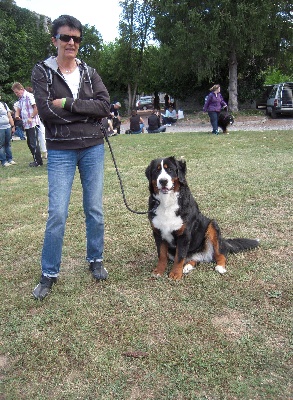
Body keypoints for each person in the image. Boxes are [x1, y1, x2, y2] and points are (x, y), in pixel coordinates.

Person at [31, 14, 110, 300]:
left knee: (95, 209)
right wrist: (85, 114)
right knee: (57, 214)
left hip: (92, 147)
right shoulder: (42, 71)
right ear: (54, 40)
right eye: (65, 37)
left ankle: (95, 259)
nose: (71, 43)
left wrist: (67, 104)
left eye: (76, 38)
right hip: (61, 151)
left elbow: (104, 106)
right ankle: (49, 273)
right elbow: (45, 112)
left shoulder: (89, 72)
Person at [12, 83, 43, 166]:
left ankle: (38, 161)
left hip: (33, 123)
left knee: (34, 143)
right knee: (29, 143)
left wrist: (31, 117)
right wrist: (17, 115)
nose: (16, 94)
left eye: (17, 92)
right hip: (26, 124)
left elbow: (36, 108)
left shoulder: (29, 96)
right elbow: (18, 108)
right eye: (15, 93)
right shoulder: (21, 99)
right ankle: (35, 159)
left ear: (21, 89)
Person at [25, 87, 47, 159]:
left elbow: (36, 108)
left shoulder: (31, 97)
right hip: (38, 121)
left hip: (37, 121)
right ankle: (42, 154)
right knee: (40, 138)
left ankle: (42, 156)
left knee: (41, 138)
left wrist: (31, 117)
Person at [0, 96, 16, 166]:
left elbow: (9, 116)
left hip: (7, 127)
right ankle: (3, 161)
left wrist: (12, 126)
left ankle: (10, 159)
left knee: (8, 144)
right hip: (0, 128)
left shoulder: (4, 104)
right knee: (1, 145)